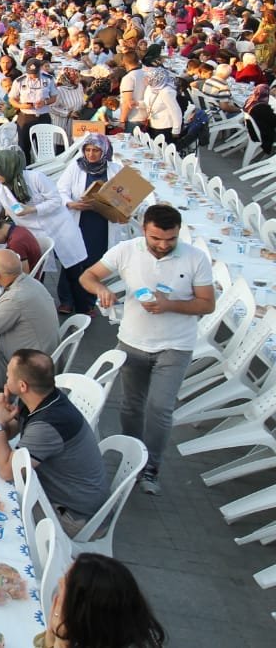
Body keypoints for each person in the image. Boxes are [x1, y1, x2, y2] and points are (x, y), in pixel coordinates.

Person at [78, 203, 213, 495]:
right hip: (133, 340)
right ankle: (132, 454)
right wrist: (101, 289)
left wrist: (168, 305)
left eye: (170, 239)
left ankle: (151, 466)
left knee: (160, 408)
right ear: (144, 231)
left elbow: (207, 303)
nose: (163, 245)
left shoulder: (196, 259)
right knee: (131, 404)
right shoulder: (127, 250)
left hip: (176, 345)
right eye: (156, 239)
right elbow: (87, 276)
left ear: (179, 233)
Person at [0, 349, 109, 535]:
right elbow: (9, 433)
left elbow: (7, 471)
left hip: (73, 516)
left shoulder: (48, 424)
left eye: (9, 375)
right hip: (66, 496)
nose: (6, 378)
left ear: (23, 386)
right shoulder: (43, 397)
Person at [0, 250, 59, 386]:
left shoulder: (15, 298)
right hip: (39, 354)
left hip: (30, 369)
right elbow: (5, 314)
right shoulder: (30, 282)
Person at [40, 553, 166, 648]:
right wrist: (53, 634)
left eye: (65, 586)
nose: (59, 582)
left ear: (84, 612)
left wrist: (61, 641)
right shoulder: (121, 629)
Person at [55, 133, 121, 315]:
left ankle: (88, 302)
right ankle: (67, 299)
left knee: (94, 262)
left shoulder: (115, 170)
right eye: (88, 150)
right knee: (72, 260)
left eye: (96, 150)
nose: (91, 154)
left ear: (104, 152)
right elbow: (61, 190)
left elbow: (125, 197)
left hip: (100, 222)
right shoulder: (75, 167)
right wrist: (71, 203)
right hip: (79, 219)